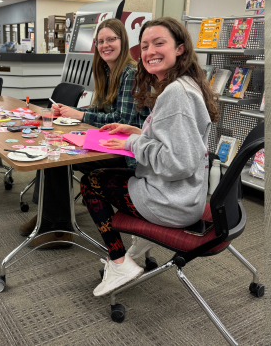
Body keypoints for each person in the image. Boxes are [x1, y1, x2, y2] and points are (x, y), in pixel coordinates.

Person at [80, 17, 218, 297]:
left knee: (90, 182)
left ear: (179, 49)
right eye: (144, 46)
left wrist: (132, 142)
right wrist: (138, 132)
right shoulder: (185, 84)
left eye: (159, 43)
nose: (149, 52)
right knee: (108, 177)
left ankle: (119, 262)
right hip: (186, 196)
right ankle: (139, 244)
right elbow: (176, 142)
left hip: (171, 201)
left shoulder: (175, 94)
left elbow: (177, 163)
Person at [17, 18, 150, 248]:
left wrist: (79, 116)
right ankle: (47, 216)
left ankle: (60, 229)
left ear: (123, 41)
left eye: (111, 39)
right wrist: (70, 111)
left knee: (59, 157)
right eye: (100, 41)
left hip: (127, 151)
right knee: (53, 145)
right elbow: (98, 110)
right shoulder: (106, 72)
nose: (105, 45)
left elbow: (123, 121)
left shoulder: (131, 73)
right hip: (110, 142)